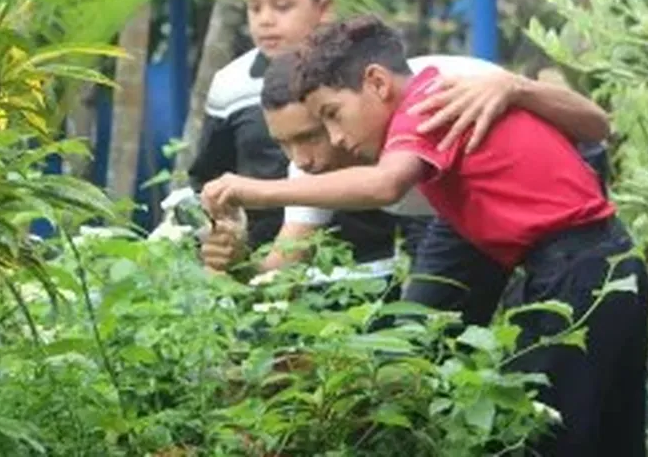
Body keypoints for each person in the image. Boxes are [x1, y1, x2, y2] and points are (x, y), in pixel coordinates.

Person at [201, 15, 648, 456]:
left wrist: (251, 189)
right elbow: (280, 269)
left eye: (331, 117)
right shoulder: (389, 116)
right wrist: (237, 258)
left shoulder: (434, 98)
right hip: (607, 257)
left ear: (377, 83)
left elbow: (385, 184)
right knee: (611, 433)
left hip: (573, 267)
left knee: (540, 431)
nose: (333, 140)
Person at [206, 53, 614, 327]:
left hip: (566, 207)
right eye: (284, 144)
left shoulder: (444, 90)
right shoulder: (307, 169)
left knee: (565, 331)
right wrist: (238, 262)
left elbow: (598, 124)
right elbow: (283, 273)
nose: (304, 158)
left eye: (314, 133)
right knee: (421, 338)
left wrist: (515, 87)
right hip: (455, 214)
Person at [187, 0, 335, 251]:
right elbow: (209, 177)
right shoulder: (231, 84)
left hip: (363, 271)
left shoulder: (357, 76)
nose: (265, 20)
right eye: (254, 8)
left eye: (281, 6)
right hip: (260, 269)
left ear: (324, 8)